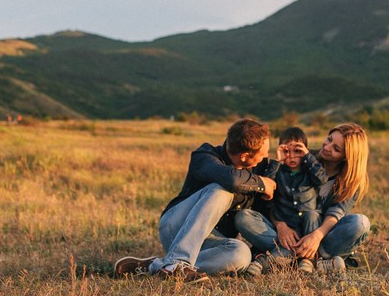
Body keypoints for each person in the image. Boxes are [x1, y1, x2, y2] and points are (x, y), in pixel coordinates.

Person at [114, 118, 279, 283]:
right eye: (263, 154)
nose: (265, 157)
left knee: (241, 255)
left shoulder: (257, 168)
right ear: (244, 156)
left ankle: (159, 266)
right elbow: (232, 180)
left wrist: (278, 167)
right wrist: (261, 183)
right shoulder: (205, 156)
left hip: (210, 241)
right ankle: (179, 261)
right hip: (177, 227)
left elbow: (269, 199)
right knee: (221, 190)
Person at [235, 123, 371, 274]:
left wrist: (316, 236)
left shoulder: (352, 180)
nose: (327, 147)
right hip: (287, 231)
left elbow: (335, 214)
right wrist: (281, 226)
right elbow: (273, 200)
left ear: (347, 156)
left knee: (360, 223)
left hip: (321, 235)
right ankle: (313, 262)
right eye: (329, 139)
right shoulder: (302, 158)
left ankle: (294, 256)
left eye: (336, 149)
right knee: (243, 217)